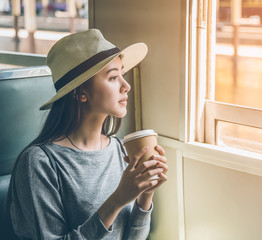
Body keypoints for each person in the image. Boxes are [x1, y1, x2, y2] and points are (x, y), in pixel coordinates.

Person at [4, 29, 168, 239]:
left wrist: (145, 195)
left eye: (123, 76)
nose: (126, 86)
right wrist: (117, 200)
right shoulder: (39, 162)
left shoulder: (118, 149)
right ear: (81, 92)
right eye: (113, 78)